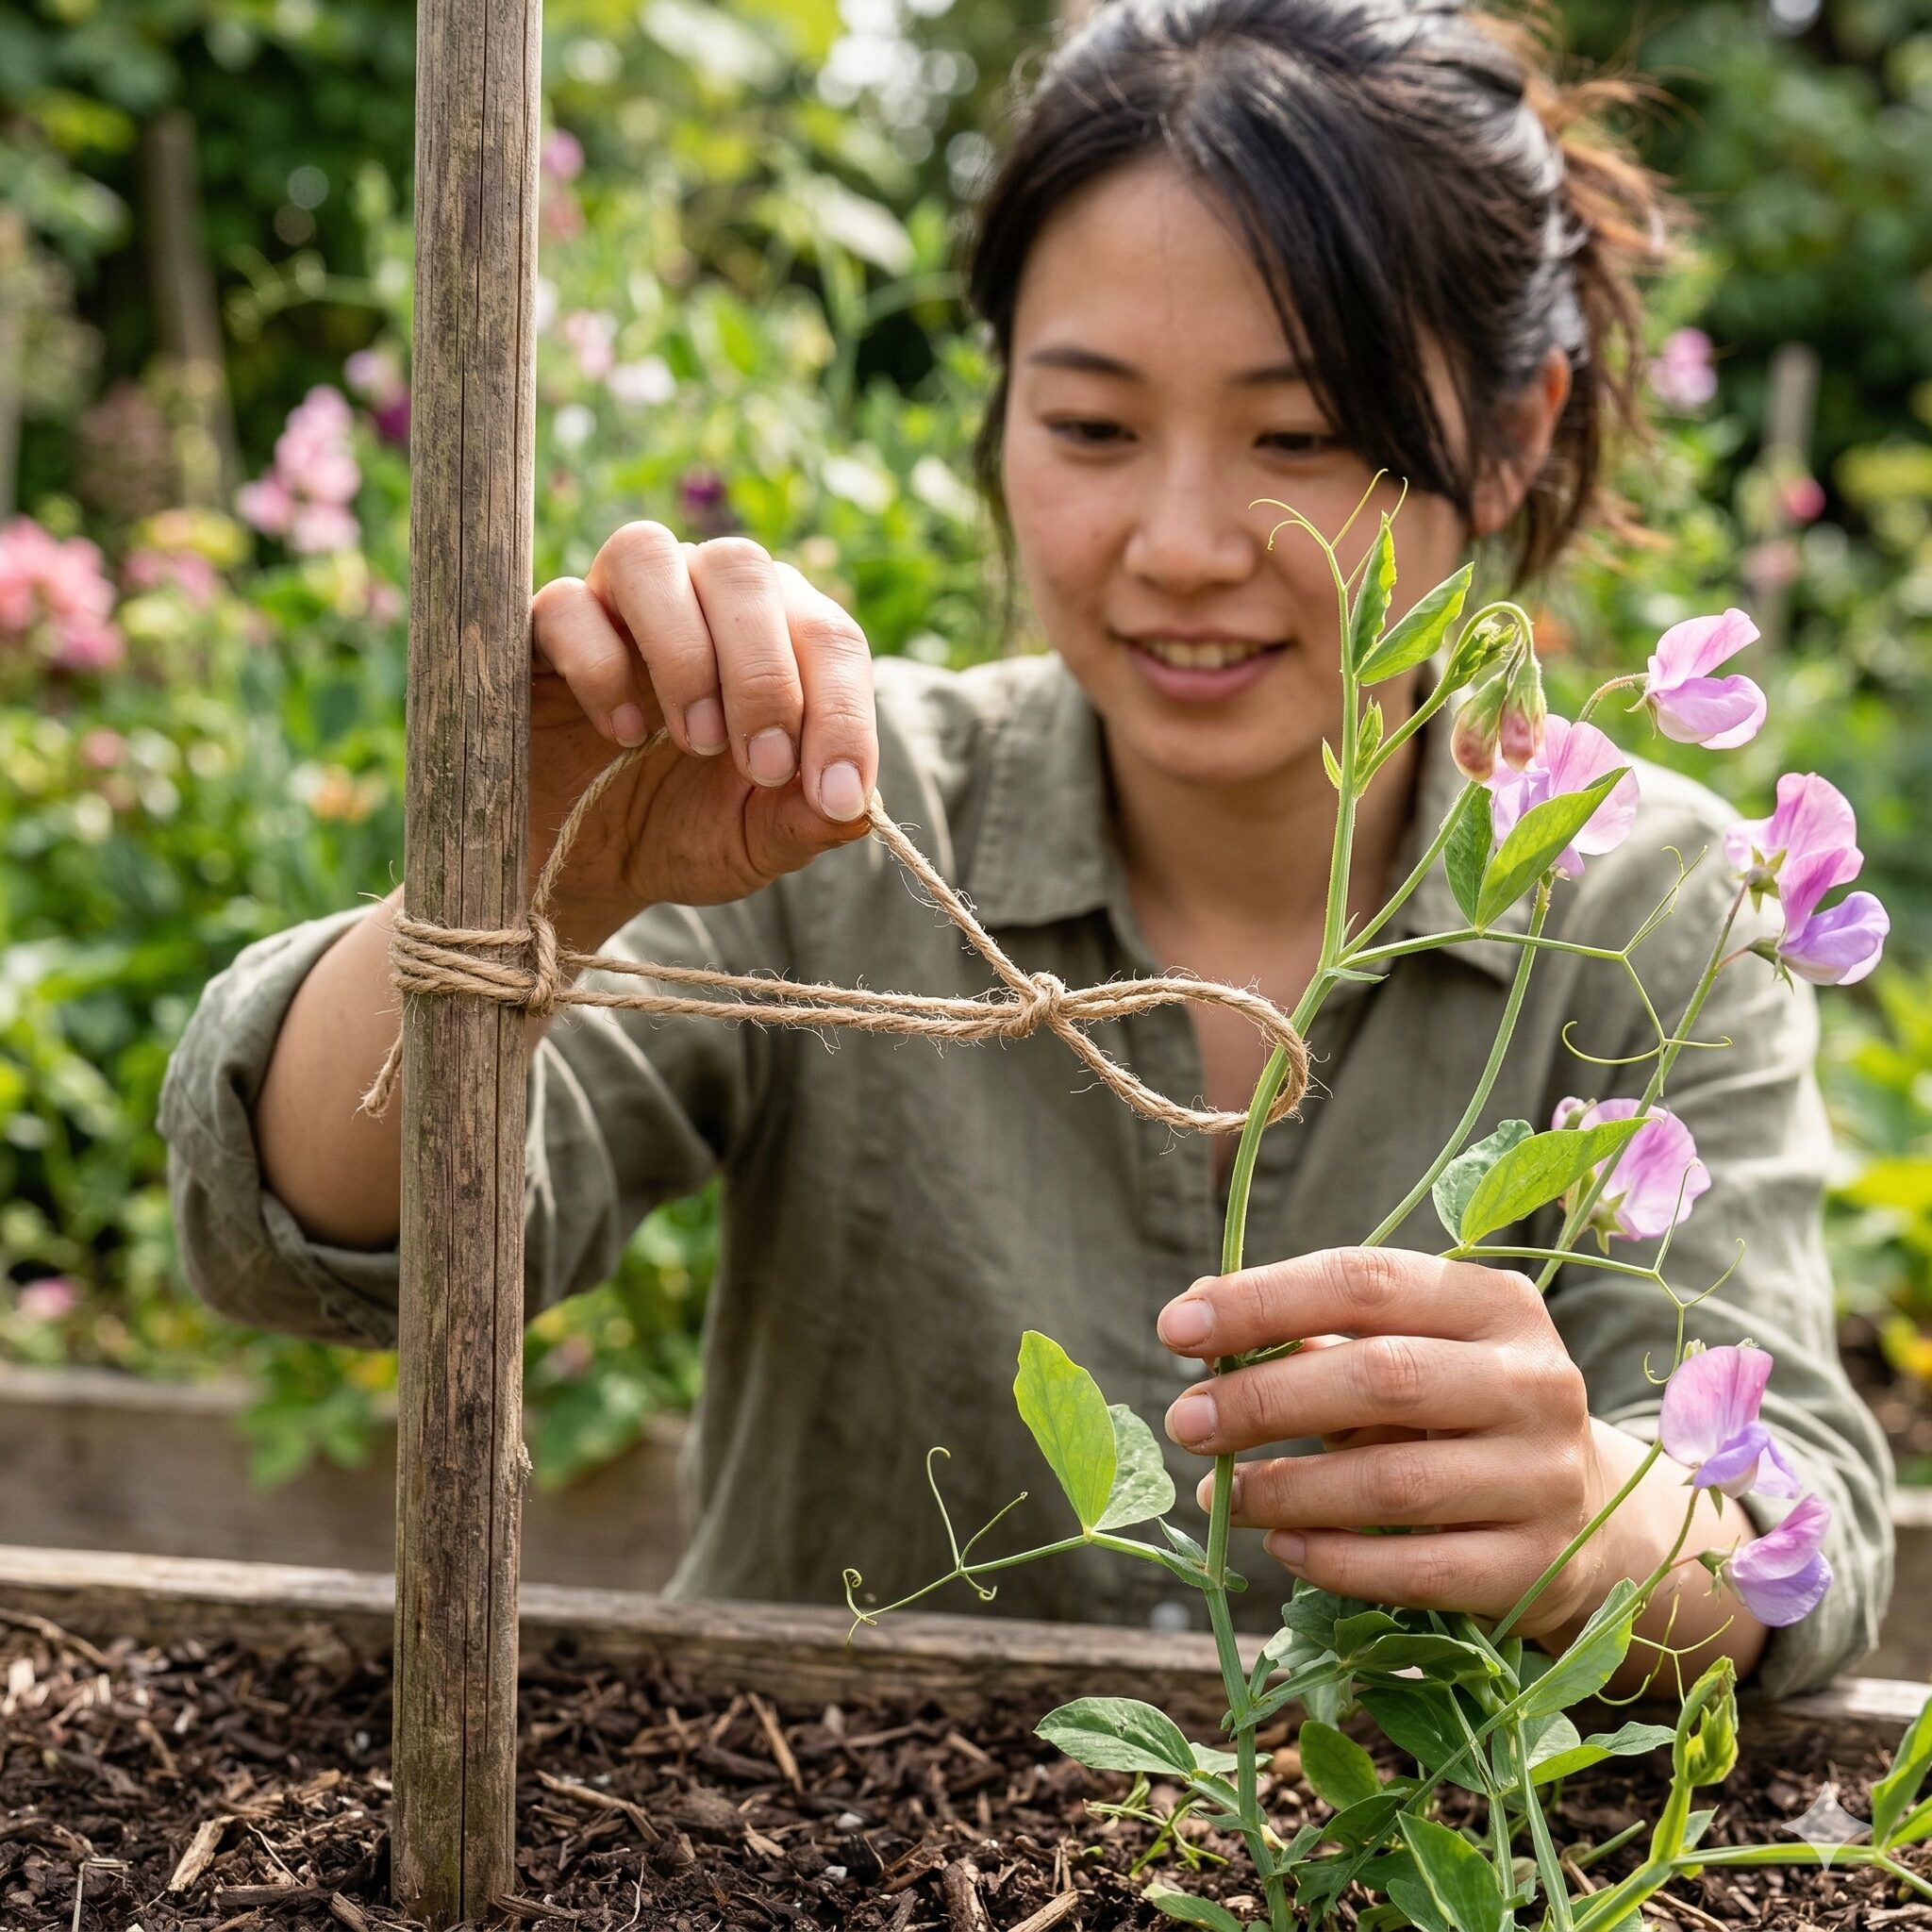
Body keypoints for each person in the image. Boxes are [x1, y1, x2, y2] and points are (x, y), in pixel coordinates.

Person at [161, 0, 1891, 1696]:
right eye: (1089, 428)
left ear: (1514, 435)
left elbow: (1791, 1512)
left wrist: (1602, 1519)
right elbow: (306, 1238)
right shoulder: (827, 809)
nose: (1185, 542)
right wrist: (530, 874)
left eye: (1300, 438)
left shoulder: (1663, 902)